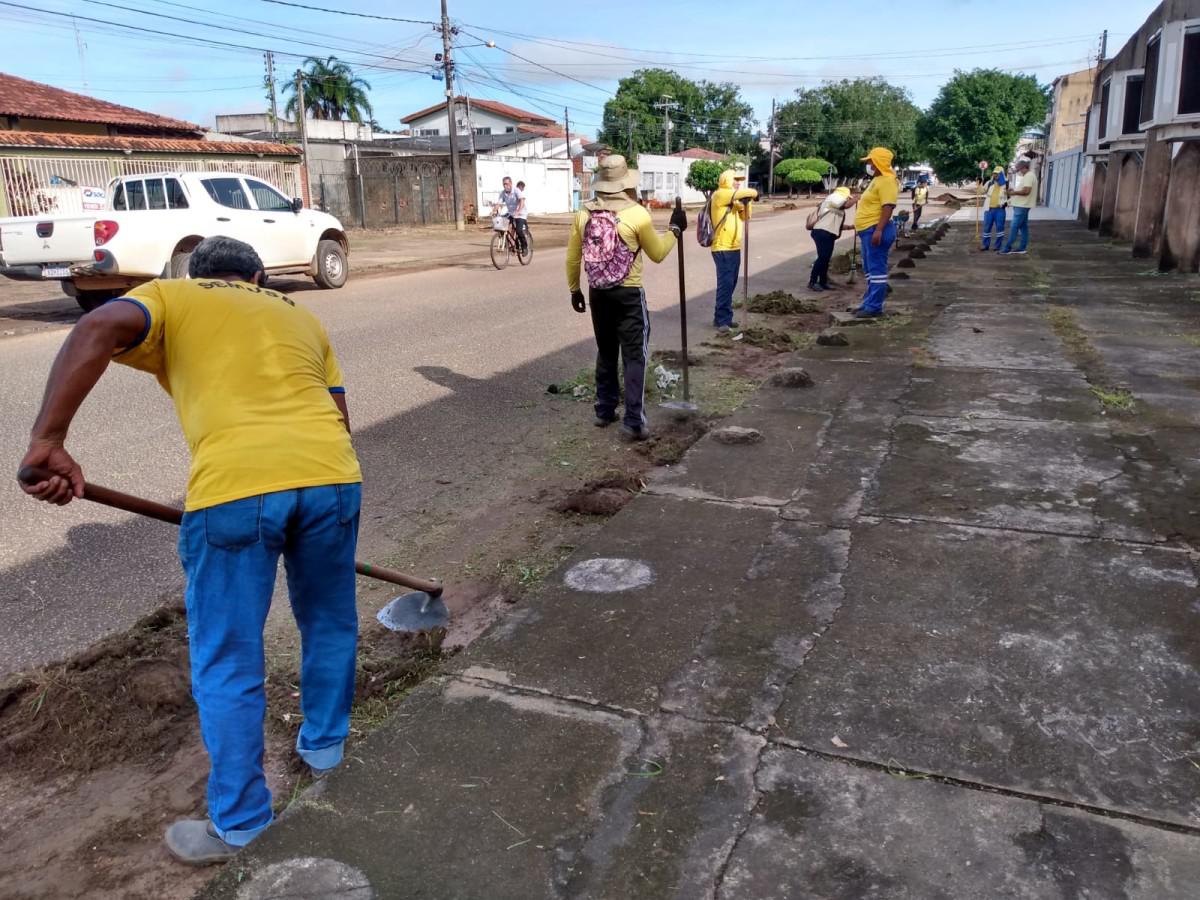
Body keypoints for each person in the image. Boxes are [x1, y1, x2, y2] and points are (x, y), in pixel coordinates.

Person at [18, 236, 362, 866]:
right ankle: (326, 750)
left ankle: (241, 822)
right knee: (330, 621)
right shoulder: (299, 314)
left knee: (228, 657)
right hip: (334, 479)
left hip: (236, 490)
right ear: (257, 276)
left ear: (194, 273)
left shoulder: (172, 295)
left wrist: (48, 438)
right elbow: (339, 415)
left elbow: (97, 325)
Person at [565, 154, 685, 441]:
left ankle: (604, 410)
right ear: (625, 183)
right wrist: (675, 230)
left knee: (606, 351)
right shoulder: (637, 215)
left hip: (598, 294)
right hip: (628, 294)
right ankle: (633, 420)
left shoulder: (583, 214)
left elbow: (572, 258)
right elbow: (657, 254)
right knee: (634, 356)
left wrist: (575, 290)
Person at [708, 169, 758, 333]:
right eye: (735, 179)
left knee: (731, 284)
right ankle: (723, 320)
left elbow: (746, 217)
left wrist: (746, 203)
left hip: (734, 247)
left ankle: (722, 317)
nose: (738, 182)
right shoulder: (720, 194)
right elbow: (752, 191)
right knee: (726, 284)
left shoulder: (735, 200)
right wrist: (750, 194)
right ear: (726, 180)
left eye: (739, 180)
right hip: (722, 248)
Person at [853, 146, 899, 319]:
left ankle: (874, 307)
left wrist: (878, 230)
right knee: (869, 269)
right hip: (867, 229)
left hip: (876, 229)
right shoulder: (877, 180)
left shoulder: (887, 180)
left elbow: (888, 206)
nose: (869, 165)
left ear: (878, 162)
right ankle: (868, 303)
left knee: (877, 269)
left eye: (871, 161)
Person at [808, 186, 857, 292]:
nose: (849, 199)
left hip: (828, 233)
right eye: (848, 197)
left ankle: (823, 282)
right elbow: (847, 205)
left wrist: (851, 227)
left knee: (825, 259)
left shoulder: (835, 203)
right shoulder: (835, 197)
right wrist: (856, 198)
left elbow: (836, 224)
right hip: (822, 232)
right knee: (823, 258)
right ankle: (812, 282)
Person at [1001, 158, 1038, 256]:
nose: (1018, 172)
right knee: (1023, 227)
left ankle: (1008, 247)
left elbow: (1026, 191)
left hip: (1022, 206)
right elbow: (1024, 189)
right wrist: (1014, 192)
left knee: (1014, 226)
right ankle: (1022, 247)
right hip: (1022, 205)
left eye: (1018, 170)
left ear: (1023, 167)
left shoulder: (1029, 176)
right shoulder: (1029, 176)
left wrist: (1013, 193)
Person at [493, 176, 528, 254]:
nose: (505, 186)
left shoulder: (516, 191)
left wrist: (518, 211)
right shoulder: (503, 193)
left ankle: (524, 247)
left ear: (511, 184)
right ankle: (512, 243)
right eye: (504, 184)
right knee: (501, 226)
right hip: (511, 214)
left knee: (519, 231)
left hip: (521, 214)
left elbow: (522, 202)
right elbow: (499, 203)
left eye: (506, 184)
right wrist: (494, 211)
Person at [980, 166, 1008, 251]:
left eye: (997, 174)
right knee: (986, 227)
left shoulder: (1007, 184)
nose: (995, 175)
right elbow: (981, 191)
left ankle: (997, 246)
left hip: (1000, 210)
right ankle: (985, 245)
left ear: (1002, 174)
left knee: (1000, 227)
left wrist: (1006, 203)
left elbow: (1012, 196)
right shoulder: (989, 183)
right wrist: (980, 183)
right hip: (988, 210)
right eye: (994, 174)